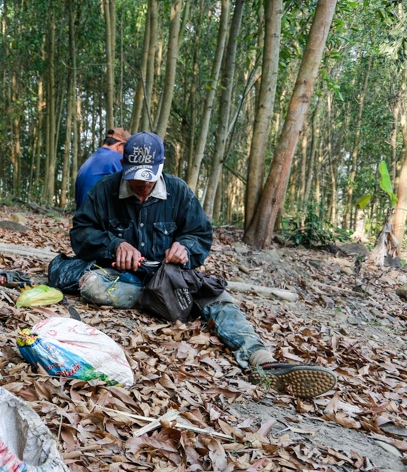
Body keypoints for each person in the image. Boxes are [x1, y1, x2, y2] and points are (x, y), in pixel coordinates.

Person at [64, 131, 338, 399]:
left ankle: (262, 361)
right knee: (92, 285)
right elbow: (81, 233)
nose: (143, 184)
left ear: (161, 166)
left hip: (170, 278)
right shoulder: (104, 190)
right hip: (122, 276)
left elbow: (200, 235)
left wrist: (185, 248)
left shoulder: (179, 192)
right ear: (123, 165)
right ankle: (160, 300)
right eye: (136, 176)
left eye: (149, 177)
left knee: (218, 298)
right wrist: (114, 245)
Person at [74, 127, 130, 208]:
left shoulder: (90, 160)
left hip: (83, 213)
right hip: (97, 213)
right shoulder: (117, 158)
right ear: (119, 145)